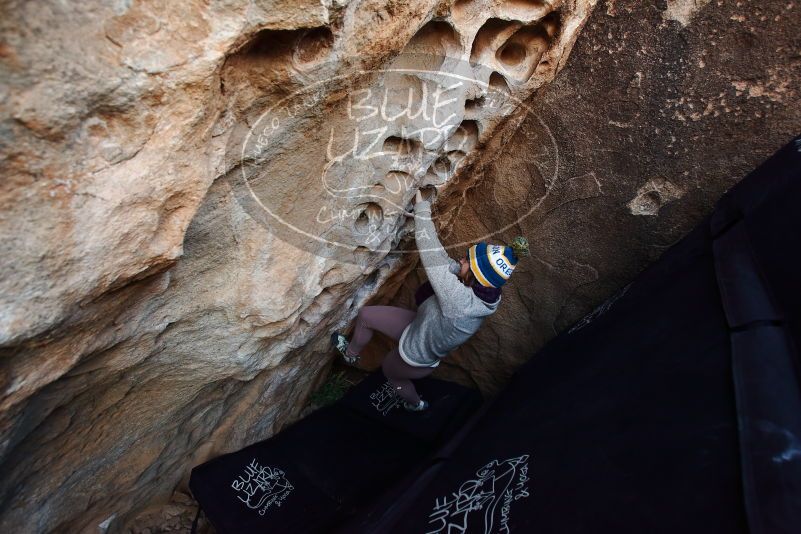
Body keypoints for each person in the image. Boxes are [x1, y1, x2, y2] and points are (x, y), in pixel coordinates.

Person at [331, 190, 529, 411]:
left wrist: (421, 207)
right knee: (367, 316)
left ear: (476, 276)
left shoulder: (462, 304)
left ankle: (415, 403)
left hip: (414, 358)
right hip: (418, 326)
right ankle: (351, 356)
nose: (461, 259)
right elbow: (446, 263)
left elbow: (432, 255)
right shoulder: (481, 291)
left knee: (391, 374)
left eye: (466, 261)